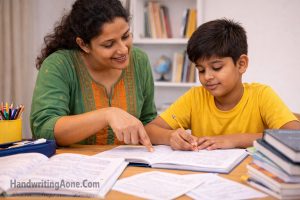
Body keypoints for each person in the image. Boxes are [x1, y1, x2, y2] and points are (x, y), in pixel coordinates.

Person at [145, 18, 300, 151]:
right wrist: (170, 136)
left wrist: (235, 140)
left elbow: (295, 136)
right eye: (201, 70)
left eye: (217, 67)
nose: (207, 77)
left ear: (241, 64)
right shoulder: (195, 98)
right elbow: (150, 130)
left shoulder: (261, 96)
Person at [30, 0, 157, 151]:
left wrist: (171, 137)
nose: (123, 50)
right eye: (109, 44)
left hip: (132, 166)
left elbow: (147, 121)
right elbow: (43, 129)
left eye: (125, 36)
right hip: (77, 168)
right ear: (83, 44)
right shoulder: (59, 65)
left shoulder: (139, 61)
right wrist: (107, 115)